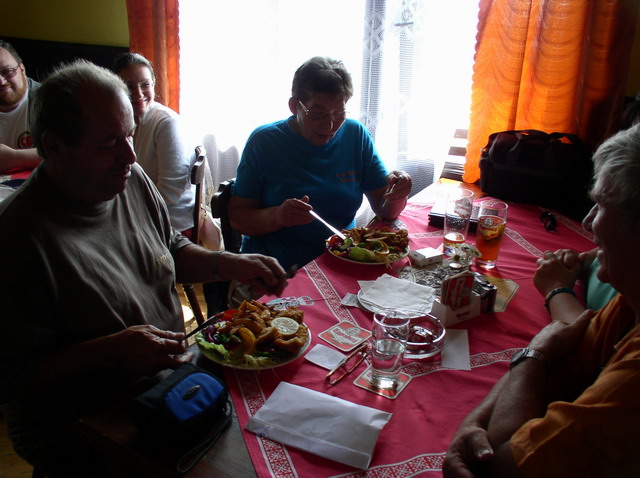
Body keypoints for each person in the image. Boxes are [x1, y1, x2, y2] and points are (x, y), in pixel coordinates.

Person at [0, 60, 288, 477]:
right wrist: (112, 351)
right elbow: (11, 374)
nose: (130, 156)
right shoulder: (17, 238)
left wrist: (228, 263)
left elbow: (168, 248)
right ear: (55, 147)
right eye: (109, 143)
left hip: (170, 382)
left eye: (131, 135)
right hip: (86, 424)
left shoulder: (129, 178)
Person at [443, 124, 640, 477]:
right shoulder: (629, 302)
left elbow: (500, 464)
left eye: (601, 206)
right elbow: (563, 361)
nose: (587, 222)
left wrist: (532, 355)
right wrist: (473, 422)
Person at [228, 56, 412, 271]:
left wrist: (398, 193)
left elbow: (386, 211)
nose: (330, 125)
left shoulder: (355, 135)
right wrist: (277, 216)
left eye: (339, 113)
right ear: (295, 106)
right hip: (278, 267)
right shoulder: (264, 141)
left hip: (342, 258)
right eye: (318, 114)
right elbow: (238, 219)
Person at [112, 52, 196, 234]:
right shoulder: (124, 123)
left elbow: (170, 193)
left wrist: (125, 213)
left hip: (171, 224)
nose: (138, 94)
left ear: (154, 84)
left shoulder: (167, 124)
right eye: (129, 87)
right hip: (140, 215)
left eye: (145, 84)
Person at [0, 39, 41, 173]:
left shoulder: (50, 100)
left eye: (7, 71)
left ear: (22, 70)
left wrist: (13, 158)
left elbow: (69, 153)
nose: (1, 81)